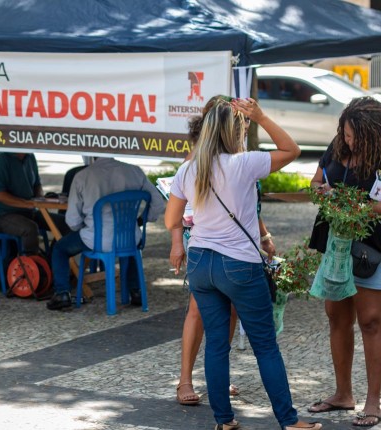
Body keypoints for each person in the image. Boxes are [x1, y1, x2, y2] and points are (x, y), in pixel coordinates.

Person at [166, 96, 320, 430]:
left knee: (217, 344)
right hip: (239, 264)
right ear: (234, 132)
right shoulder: (244, 163)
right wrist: (261, 116)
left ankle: (224, 421)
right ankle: (289, 421)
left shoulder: (188, 168)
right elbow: (291, 149)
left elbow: (171, 219)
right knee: (265, 345)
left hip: (201, 263)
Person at [175, 99, 277, 406]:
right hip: (205, 237)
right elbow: (179, 200)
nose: (243, 127)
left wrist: (263, 234)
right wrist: (176, 241)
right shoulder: (201, 155)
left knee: (229, 314)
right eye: (240, 122)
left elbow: (244, 204)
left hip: (233, 243)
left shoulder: (240, 155)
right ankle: (185, 379)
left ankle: (218, 383)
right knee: (197, 311)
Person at [306, 96, 381, 428]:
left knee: (371, 322)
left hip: (369, 249)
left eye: (354, 136)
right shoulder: (336, 147)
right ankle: (343, 394)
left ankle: (374, 402)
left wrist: (356, 209)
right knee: (337, 317)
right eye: (346, 134)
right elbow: (315, 182)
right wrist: (323, 194)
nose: (348, 141)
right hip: (334, 246)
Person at [45, 157, 166, 311]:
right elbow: (158, 203)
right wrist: (140, 221)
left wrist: (86, 225)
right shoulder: (134, 171)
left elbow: (73, 222)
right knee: (131, 245)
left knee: (59, 249)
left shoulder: (83, 176)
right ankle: (135, 290)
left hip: (96, 239)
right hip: (130, 237)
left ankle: (62, 293)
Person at [0, 151, 70, 255]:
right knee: (30, 228)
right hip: (3, 214)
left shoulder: (30, 156)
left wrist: (40, 198)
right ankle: (30, 267)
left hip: (29, 211)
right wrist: (26, 203)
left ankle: (53, 259)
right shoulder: (1, 159)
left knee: (67, 223)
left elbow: (37, 185)